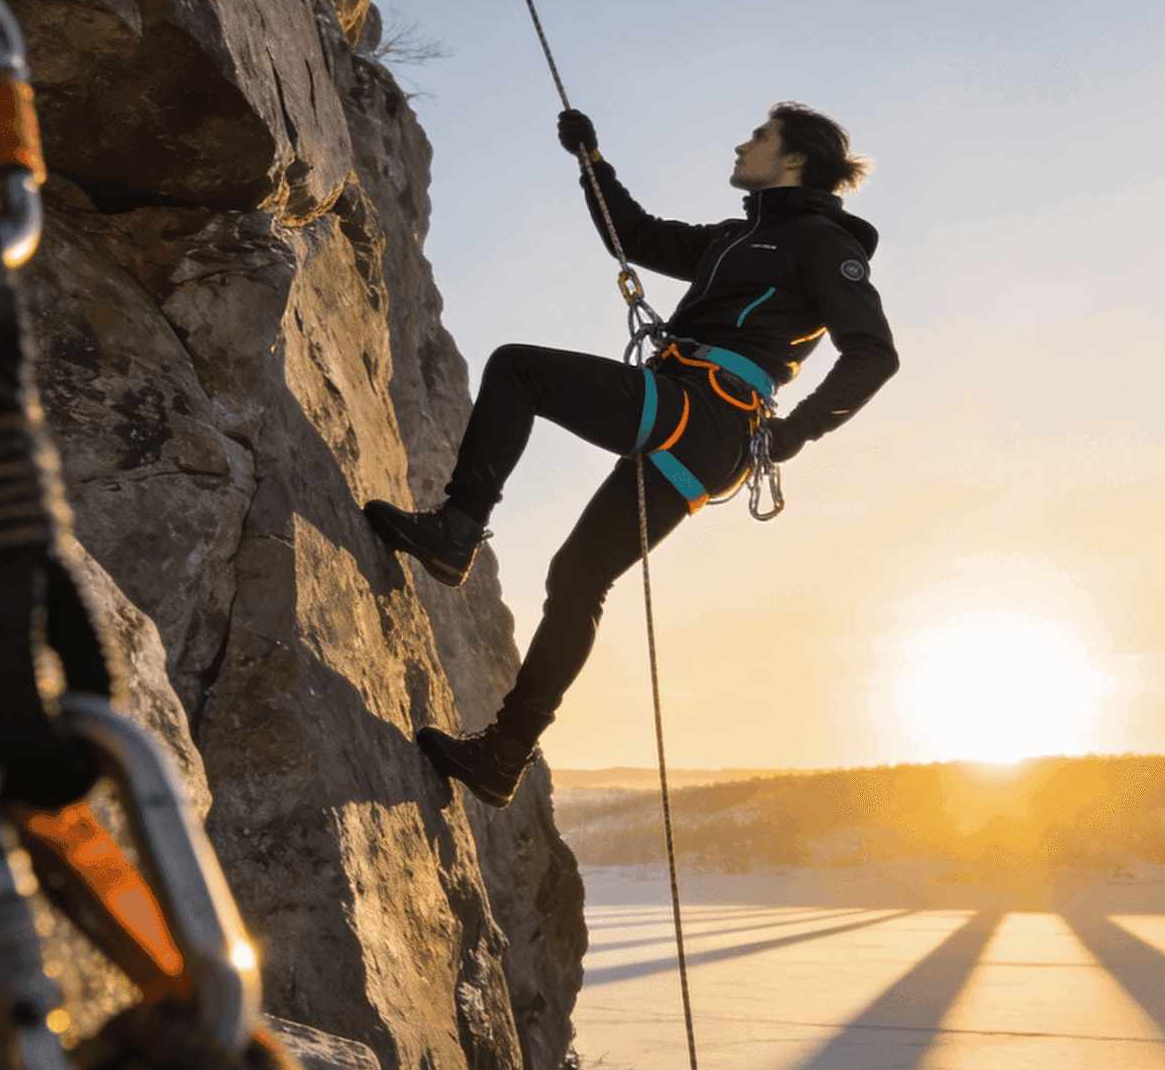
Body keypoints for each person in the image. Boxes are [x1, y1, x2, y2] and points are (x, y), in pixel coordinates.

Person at [364, 102, 899, 807]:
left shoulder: (822, 243)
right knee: (578, 577)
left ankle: (457, 529)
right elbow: (636, 235)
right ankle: (503, 756)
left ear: (796, 159)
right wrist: (591, 161)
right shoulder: (737, 238)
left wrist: (791, 435)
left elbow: (874, 354)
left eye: (760, 136)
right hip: (698, 424)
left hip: (706, 413)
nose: (742, 142)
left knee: (518, 370)